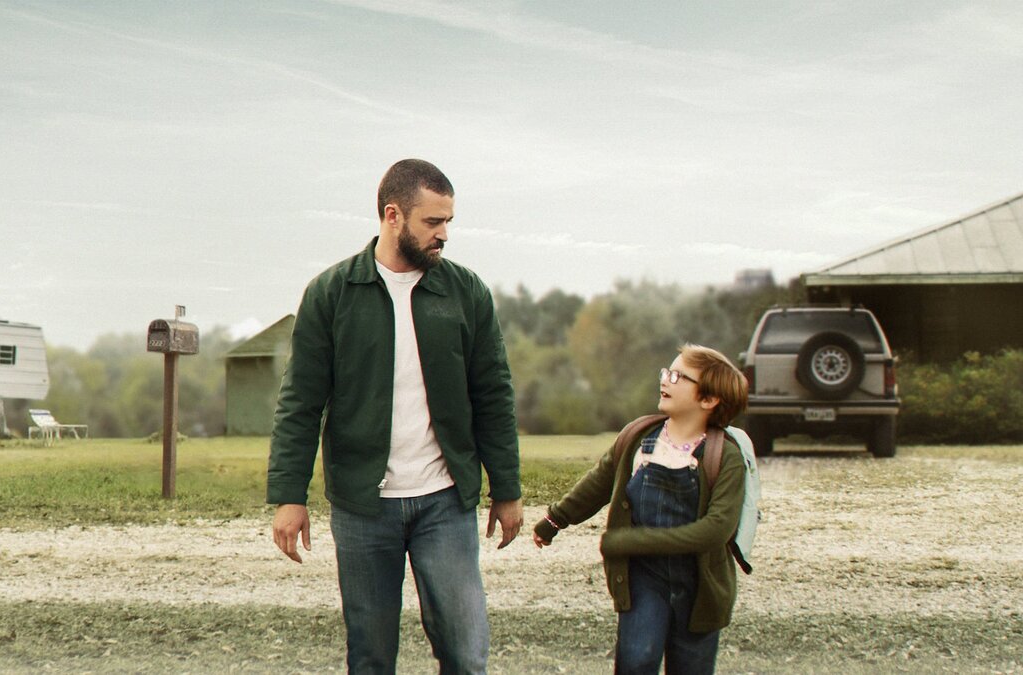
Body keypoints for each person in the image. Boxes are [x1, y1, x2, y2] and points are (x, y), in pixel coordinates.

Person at [267, 158, 523, 674]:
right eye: (433, 222)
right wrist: (289, 496)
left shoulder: (466, 292)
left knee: (466, 651)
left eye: (448, 221)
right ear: (393, 216)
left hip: (445, 501)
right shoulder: (332, 293)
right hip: (363, 506)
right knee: (371, 654)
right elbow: (301, 403)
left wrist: (507, 488)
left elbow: (493, 395)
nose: (444, 234)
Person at [532, 344, 749, 675]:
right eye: (666, 372)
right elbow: (598, 483)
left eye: (678, 377)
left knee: (691, 666)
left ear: (708, 400)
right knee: (637, 660)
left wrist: (629, 541)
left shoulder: (725, 457)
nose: (665, 379)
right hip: (643, 578)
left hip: (701, 584)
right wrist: (554, 519)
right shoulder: (637, 438)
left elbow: (715, 530)